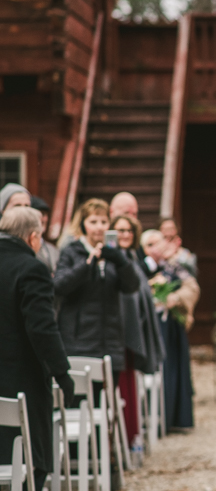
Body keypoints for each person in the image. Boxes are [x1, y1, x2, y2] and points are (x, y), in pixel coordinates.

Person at [0, 207, 74, 491]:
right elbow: (42, 328)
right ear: (33, 238)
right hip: (21, 377)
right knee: (30, 458)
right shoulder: (31, 268)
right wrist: (62, 373)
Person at [54, 198, 140, 376]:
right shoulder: (72, 251)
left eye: (103, 222)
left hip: (111, 343)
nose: (99, 227)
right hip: (78, 342)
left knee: (109, 400)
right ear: (83, 225)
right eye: (93, 222)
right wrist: (87, 264)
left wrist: (120, 260)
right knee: (79, 401)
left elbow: (131, 287)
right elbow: (60, 286)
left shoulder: (115, 255)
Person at [112, 215, 166, 446]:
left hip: (134, 330)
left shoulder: (132, 259)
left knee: (130, 389)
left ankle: (131, 438)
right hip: (117, 334)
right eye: (119, 230)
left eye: (128, 231)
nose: (124, 235)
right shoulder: (115, 260)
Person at [142, 229, 199, 431]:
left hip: (170, 326)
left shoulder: (173, 266)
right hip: (149, 326)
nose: (155, 248)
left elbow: (191, 286)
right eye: (149, 245)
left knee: (173, 369)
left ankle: (175, 417)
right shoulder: (142, 268)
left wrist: (177, 298)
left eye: (158, 243)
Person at [30, 196, 60, 275]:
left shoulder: (52, 249)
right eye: (40, 214)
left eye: (46, 215)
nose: (44, 219)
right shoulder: (25, 247)